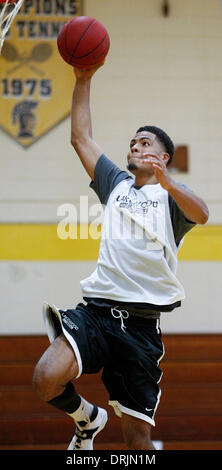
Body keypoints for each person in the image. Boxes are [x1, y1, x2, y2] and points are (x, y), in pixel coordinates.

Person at [32, 63, 209, 451]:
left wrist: (169, 181)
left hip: (141, 328)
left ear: (163, 155)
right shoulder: (116, 183)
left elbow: (203, 214)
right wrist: (83, 77)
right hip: (96, 313)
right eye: (132, 142)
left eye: (144, 142)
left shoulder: (171, 198)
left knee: (138, 441)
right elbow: (81, 137)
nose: (134, 146)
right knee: (45, 378)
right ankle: (87, 420)